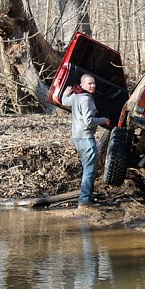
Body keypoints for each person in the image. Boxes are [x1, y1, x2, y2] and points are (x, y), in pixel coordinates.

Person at [62, 74, 111, 208]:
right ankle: (84, 201)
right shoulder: (85, 100)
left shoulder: (76, 96)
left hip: (77, 138)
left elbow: (65, 101)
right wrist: (103, 120)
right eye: (90, 84)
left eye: (94, 83)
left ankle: (86, 196)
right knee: (90, 170)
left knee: (87, 168)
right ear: (82, 85)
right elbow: (89, 122)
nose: (93, 86)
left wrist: (65, 94)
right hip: (86, 138)